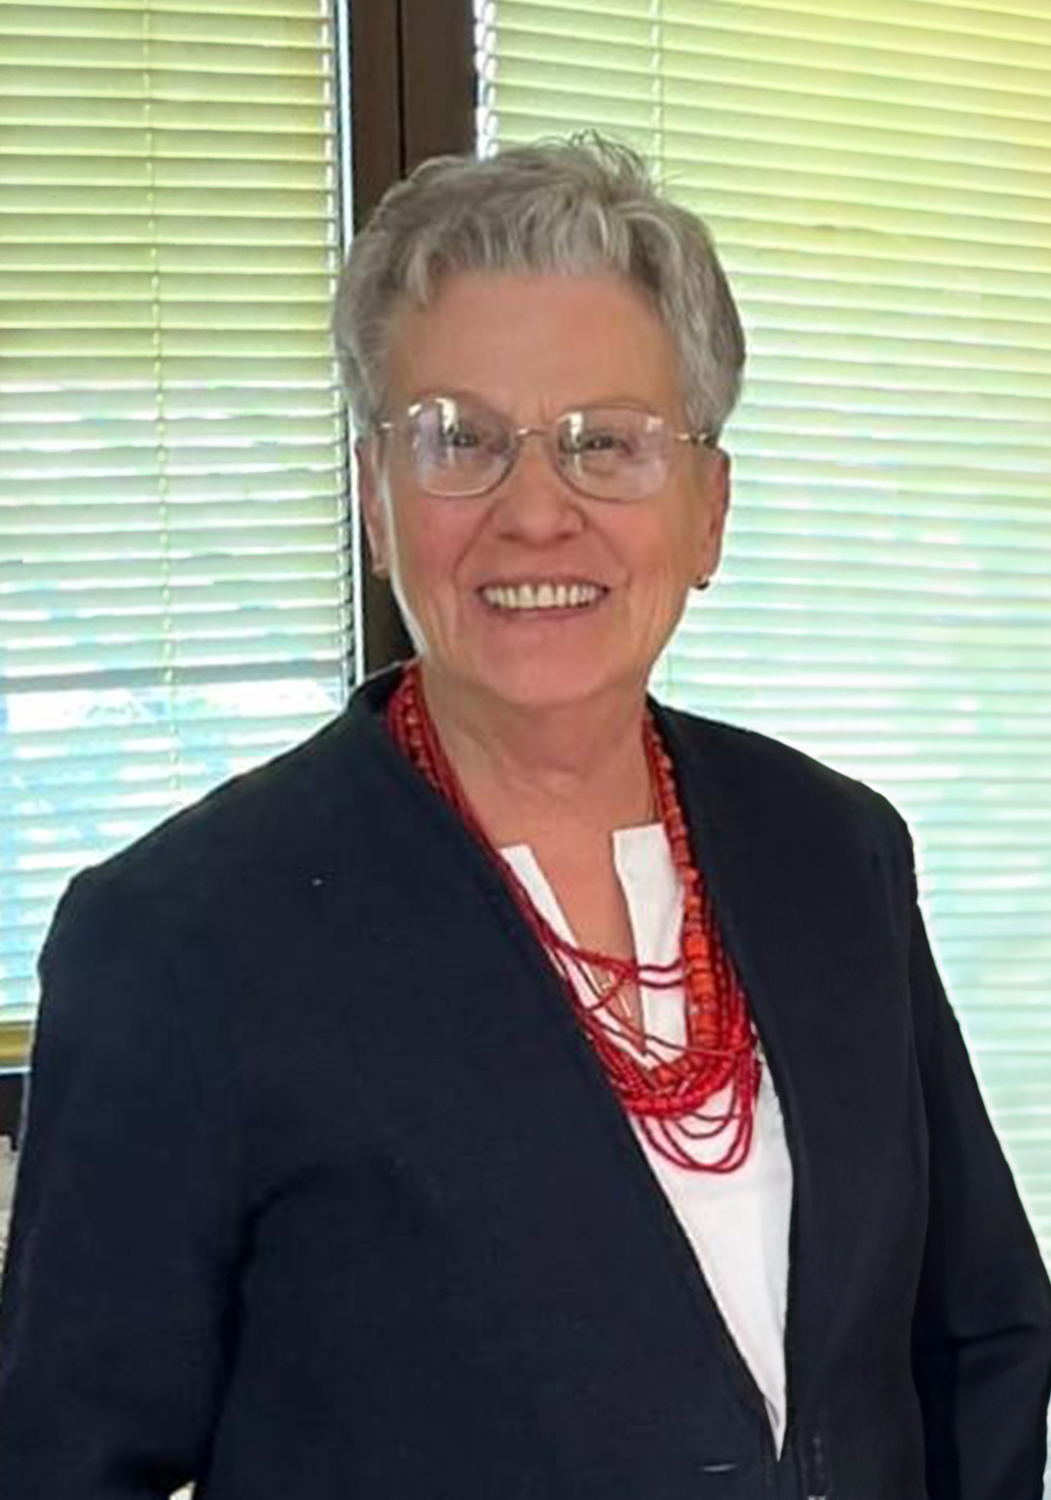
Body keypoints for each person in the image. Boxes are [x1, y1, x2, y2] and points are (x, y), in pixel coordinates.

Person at [0, 136, 1048, 1500]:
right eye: (461, 440)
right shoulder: (181, 937)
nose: (536, 513)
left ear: (709, 511)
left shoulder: (835, 848)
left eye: (608, 443)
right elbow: (64, 1463)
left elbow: (976, 1336)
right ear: (378, 501)